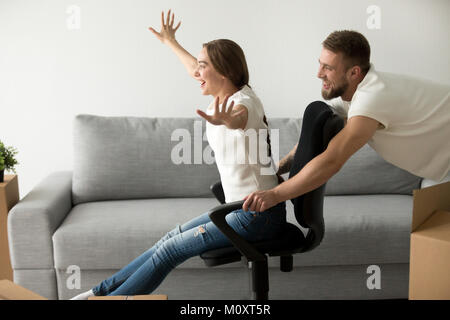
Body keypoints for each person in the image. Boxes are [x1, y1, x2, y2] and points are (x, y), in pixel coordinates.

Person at [70, 10, 285, 299]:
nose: (197, 72)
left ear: (224, 72)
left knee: (170, 251)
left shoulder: (242, 103)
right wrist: (170, 41)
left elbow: (238, 118)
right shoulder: (223, 94)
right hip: (240, 209)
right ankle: (98, 294)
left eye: (203, 66)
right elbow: (191, 68)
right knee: (169, 239)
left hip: (258, 215)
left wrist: (227, 121)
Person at [242, 30, 450, 213]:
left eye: (328, 68)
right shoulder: (354, 99)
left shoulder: (372, 98)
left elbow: (332, 160)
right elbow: (309, 145)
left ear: (354, 73)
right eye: (320, 64)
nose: (318, 74)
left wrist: (275, 195)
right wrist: (276, 170)